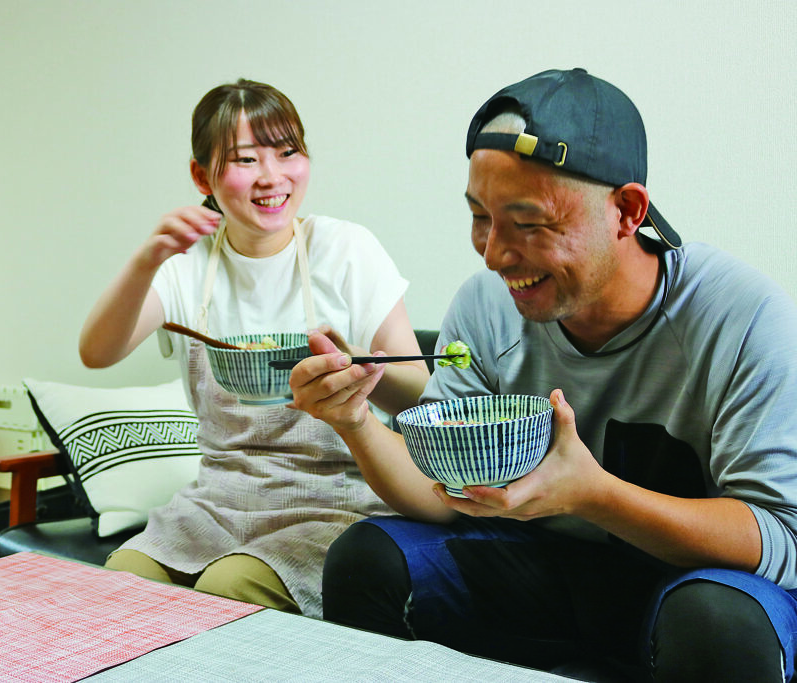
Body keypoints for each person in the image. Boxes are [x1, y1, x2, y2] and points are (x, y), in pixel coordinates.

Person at [289, 68, 797, 681]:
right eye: (481, 216)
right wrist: (355, 422)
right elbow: (445, 493)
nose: (495, 253)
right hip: (547, 570)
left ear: (626, 211)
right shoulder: (484, 305)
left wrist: (593, 494)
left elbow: (779, 537)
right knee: (367, 558)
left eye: (529, 223)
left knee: (717, 622)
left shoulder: (743, 317)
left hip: (695, 583)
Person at [78, 78, 429, 617]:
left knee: (229, 589)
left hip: (331, 501)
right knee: (119, 591)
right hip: (216, 502)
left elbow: (418, 397)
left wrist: (359, 364)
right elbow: (97, 352)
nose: (273, 177)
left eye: (288, 154)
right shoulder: (187, 263)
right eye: (246, 159)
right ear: (203, 175)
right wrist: (147, 260)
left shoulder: (345, 249)